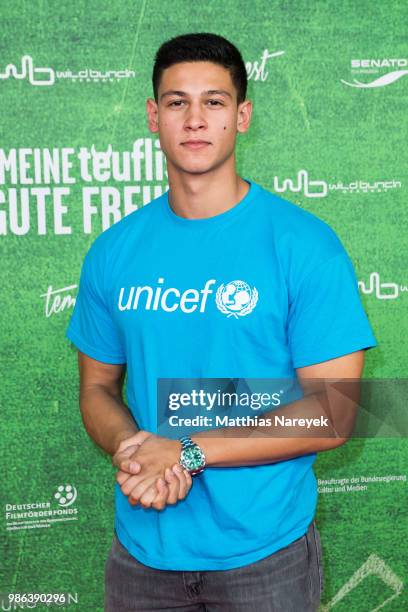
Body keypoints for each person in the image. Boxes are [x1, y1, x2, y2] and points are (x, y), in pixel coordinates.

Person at [66, 32, 377, 612]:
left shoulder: (305, 246)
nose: (195, 119)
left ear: (243, 115)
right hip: (141, 554)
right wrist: (132, 448)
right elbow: (97, 388)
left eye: (214, 101)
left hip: (265, 558)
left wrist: (186, 451)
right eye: (177, 102)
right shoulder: (113, 251)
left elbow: (337, 411)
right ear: (154, 117)